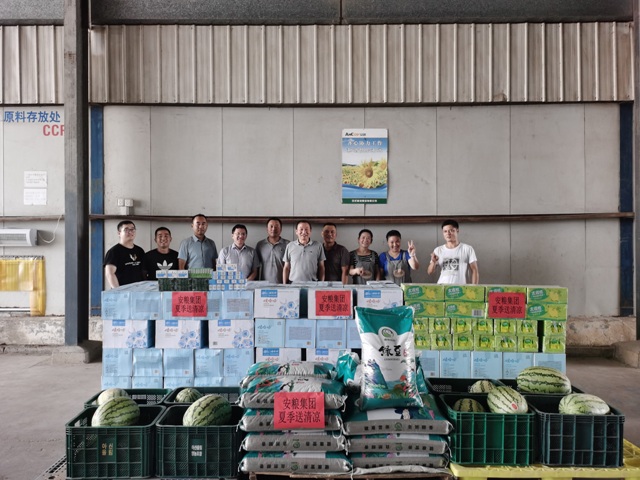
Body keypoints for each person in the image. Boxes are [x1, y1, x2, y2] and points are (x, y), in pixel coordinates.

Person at [428, 219, 479, 284]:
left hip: (460, 288)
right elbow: (430, 272)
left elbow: (474, 270)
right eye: (445, 231)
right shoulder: (438, 250)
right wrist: (433, 262)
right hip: (442, 287)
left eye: (451, 230)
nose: (448, 233)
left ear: (457, 231)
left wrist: (474, 287)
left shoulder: (467, 249)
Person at [103, 220, 146, 288]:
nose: (130, 232)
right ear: (119, 233)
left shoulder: (140, 250)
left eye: (132, 229)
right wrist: (118, 291)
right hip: (122, 291)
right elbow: (110, 274)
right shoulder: (113, 252)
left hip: (138, 291)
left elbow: (143, 271)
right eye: (126, 230)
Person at [255, 217, 290, 284]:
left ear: (281, 229)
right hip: (264, 285)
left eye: (276, 226)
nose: (273, 229)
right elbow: (256, 267)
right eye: (271, 226)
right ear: (267, 229)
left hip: (283, 285)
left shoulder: (288, 244)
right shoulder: (260, 245)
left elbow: (290, 267)